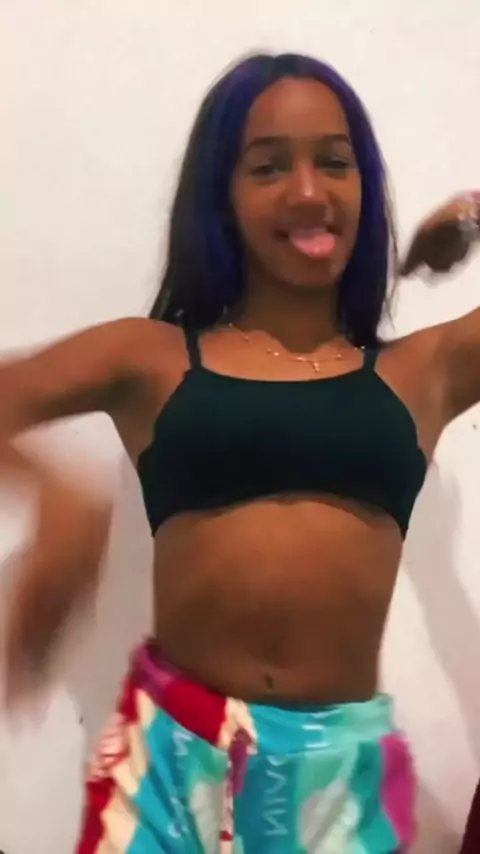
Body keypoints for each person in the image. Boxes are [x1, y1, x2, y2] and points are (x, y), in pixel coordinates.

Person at [1, 51, 479, 853]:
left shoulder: (424, 371)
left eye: (336, 162)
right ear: (220, 195)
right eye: (268, 167)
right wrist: (58, 498)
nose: (308, 192)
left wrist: (475, 211)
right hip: (166, 767)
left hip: (341, 782)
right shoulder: (149, 358)